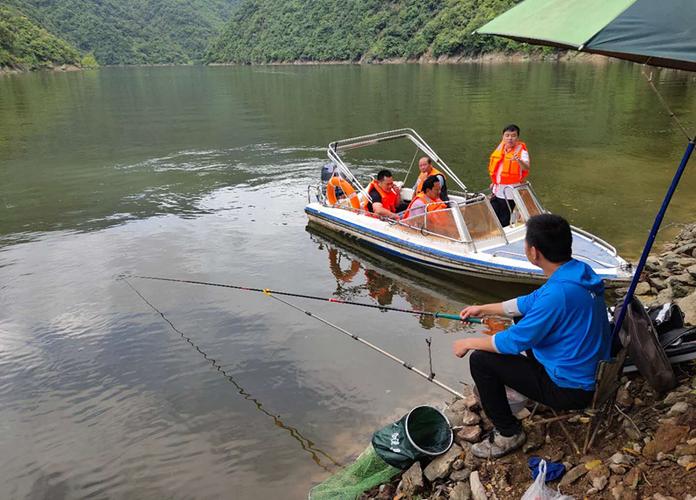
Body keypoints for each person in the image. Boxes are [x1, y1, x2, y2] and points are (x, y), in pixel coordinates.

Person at [452, 214, 611, 459]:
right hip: (589, 369)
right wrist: (483, 308)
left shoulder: (558, 294)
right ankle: (519, 389)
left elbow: (512, 342)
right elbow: (528, 303)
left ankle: (508, 433)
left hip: (570, 388)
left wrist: (468, 342)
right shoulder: (576, 272)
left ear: (534, 252)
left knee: (481, 360)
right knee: (521, 319)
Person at [488, 124, 529, 227]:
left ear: (517, 137)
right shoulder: (501, 148)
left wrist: (518, 160)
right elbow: (497, 168)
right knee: (492, 213)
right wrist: (494, 182)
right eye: (507, 135)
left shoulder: (521, 151)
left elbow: (526, 167)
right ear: (503, 137)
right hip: (497, 189)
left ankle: (505, 235)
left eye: (513, 135)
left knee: (504, 217)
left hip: (509, 191)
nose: (510, 138)